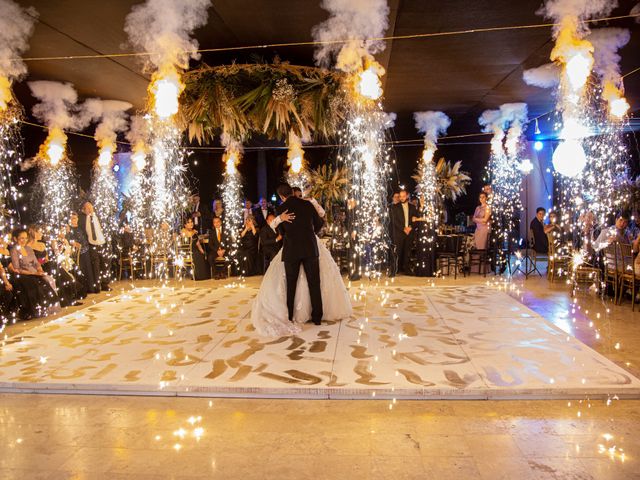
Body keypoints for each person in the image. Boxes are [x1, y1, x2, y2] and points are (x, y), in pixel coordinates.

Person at [251, 183, 351, 337]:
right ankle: (317, 317)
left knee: (291, 284)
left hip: (292, 251)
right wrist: (308, 233)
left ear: (281, 196)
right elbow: (319, 224)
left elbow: (280, 231)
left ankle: (290, 316)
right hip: (310, 248)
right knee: (314, 282)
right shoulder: (307, 204)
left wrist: (282, 221)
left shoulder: (281, 209)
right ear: (292, 192)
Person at [10, 228, 60, 318]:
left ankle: (46, 307)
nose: (24, 240)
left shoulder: (28, 248)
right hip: (22, 274)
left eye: (25, 238)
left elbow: (36, 263)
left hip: (34, 272)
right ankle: (35, 310)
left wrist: (39, 269)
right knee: (34, 284)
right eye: (21, 238)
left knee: (47, 280)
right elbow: (17, 269)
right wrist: (33, 273)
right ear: (15, 239)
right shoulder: (14, 250)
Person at [80, 202, 111, 292]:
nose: (90, 209)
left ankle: (105, 284)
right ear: (84, 210)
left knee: (104, 265)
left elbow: (103, 228)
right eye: (87, 208)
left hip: (102, 242)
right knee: (96, 266)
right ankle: (97, 286)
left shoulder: (98, 217)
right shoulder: (83, 219)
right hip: (92, 244)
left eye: (91, 207)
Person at [390, 189, 418, 274]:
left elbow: (415, 219)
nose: (401, 198)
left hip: (409, 232)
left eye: (403, 196)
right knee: (397, 251)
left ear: (407, 196)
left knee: (407, 251)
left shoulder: (412, 207)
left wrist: (410, 227)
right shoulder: (394, 207)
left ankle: (406, 269)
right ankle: (396, 269)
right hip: (399, 233)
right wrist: (403, 228)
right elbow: (394, 221)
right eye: (400, 196)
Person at [68, 211, 95, 294]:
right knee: (82, 270)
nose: (74, 220)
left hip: (86, 250)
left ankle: (91, 288)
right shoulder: (69, 230)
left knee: (88, 270)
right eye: (72, 218)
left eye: (75, 218)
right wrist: (73, 243)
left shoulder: (80, 228)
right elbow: (69, 240)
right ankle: (84, 288)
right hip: (78, 253)